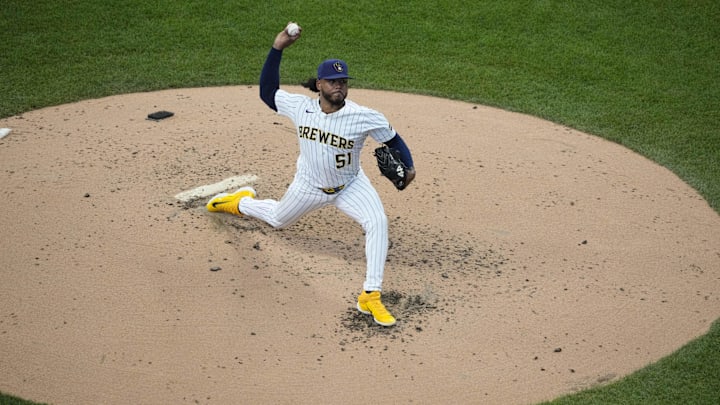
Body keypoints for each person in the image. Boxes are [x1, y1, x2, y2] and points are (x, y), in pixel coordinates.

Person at [206, 23, 416, 326]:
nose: (339, 86)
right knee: (278, 218)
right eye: (333, 82)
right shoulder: (300, 107)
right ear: (319, 84)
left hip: (351, 185)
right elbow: (267, 93)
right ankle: (239, 203)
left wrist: (409, 169)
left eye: (343, 81)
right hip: (309, 186)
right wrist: (277, 48)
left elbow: (393, 139)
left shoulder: (364, 116)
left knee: (377, 221)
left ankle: (370, 295)